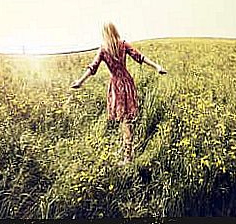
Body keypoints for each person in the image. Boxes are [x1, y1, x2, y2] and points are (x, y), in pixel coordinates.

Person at [71, 22, 167, 166]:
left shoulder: (103, 49)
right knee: (126, 119)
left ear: (104, 33)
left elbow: (93, 67)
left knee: (124, 121)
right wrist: (157, 66)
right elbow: (140, 57)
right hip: (127, 82)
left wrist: (80, 81)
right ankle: (126, 149)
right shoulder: (123, 44)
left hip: (116, 86)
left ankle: (128, 157)